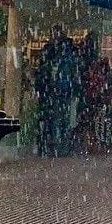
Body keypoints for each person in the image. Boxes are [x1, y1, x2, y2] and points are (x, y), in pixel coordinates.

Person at [36, 25, 80, 156]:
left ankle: (58, 147)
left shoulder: (64, 52)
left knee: (59, 120)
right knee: (58, 120)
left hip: (59, 91)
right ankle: (57, 146)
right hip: (55, 91)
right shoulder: (58, 52)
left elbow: (73, 72)